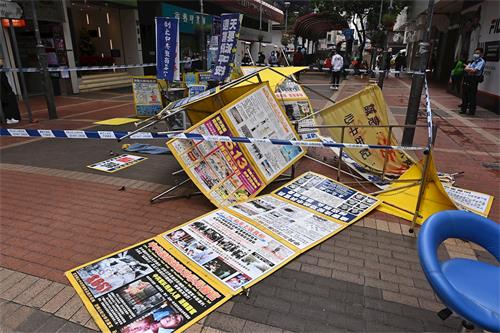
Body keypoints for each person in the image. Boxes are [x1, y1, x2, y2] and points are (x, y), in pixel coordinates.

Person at [460, 47, 485, 116]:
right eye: (475, 53)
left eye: (478, 53)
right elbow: (466, 69)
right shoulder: (473, 61)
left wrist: (470, 70)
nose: (476, 54)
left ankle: (471, 111)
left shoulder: (481, 62)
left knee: (472, 96)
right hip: (468, 78)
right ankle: (463, 109)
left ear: (481, 54)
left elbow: (475, 71)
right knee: (465, 94)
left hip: (474, 79)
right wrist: (471, 70)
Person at [0, 57, 21, 124]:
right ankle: (12, 117)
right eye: (1, 61)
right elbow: (5, 82)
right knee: (9, 102)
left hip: (3, 92)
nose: (2, 62)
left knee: (4, 104)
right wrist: (10, 90)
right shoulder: (1, 72)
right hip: (4, 91)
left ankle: (7, 118)